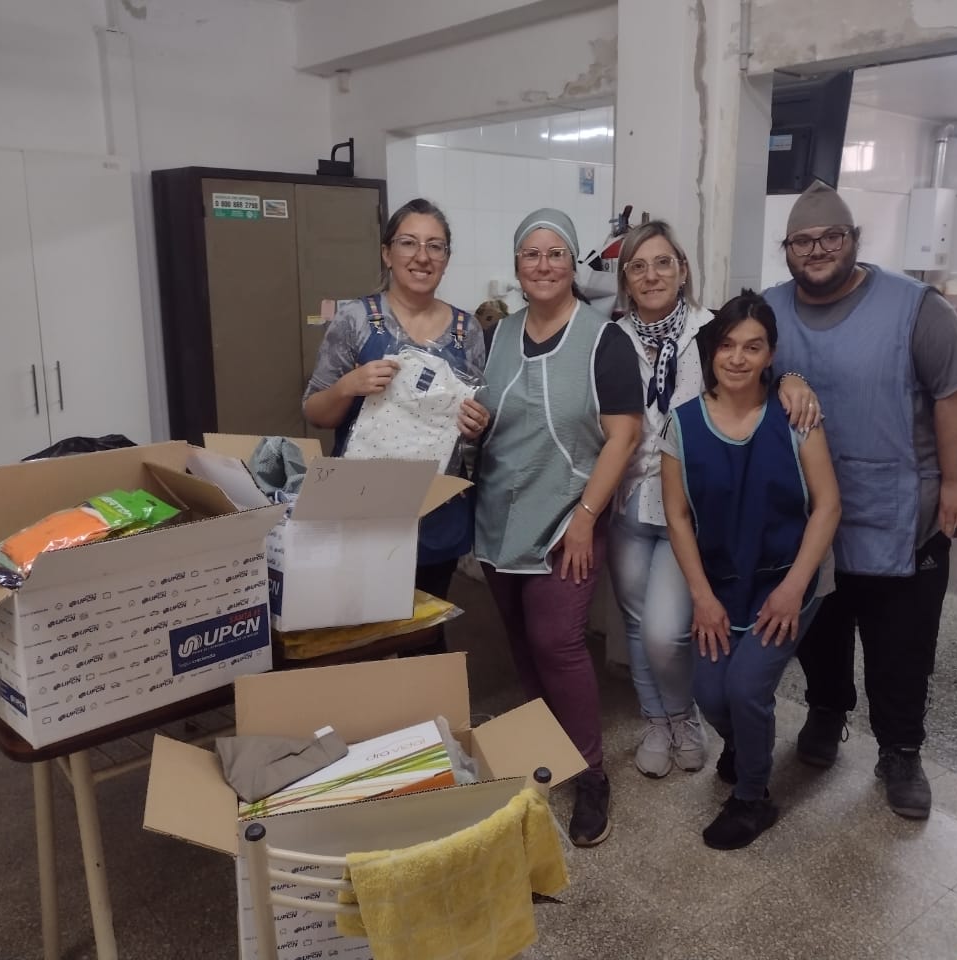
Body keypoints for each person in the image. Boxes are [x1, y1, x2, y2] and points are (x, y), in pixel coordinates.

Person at [762, 181, 957, 820]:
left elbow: (955, 394)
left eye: (831, 237)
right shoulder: (768, 311)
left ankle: (901, 751)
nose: (818, 250)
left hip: (899, 514)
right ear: (787, 250)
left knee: (901, 646)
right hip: (809, 518)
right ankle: (826, 712)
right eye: (803, 241)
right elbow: (738, 375)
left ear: (854, 239)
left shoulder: (916, 309)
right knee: (820, 632)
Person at [608, 220, 822, 780]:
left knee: (666, 630)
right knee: (637, 623)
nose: (651, 275)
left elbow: (754, 364)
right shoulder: (612, 337)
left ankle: (687, 718)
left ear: (682, 269)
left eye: (663, 262)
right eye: (637, 266)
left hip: (692, 511)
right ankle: (657, 721)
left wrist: (792, 378)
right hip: (630, 498)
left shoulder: (711, 328)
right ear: (625, 279)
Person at [474, 208, 643, 847]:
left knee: (557, 642)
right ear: (517, 266)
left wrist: (585, 519)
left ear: (574, 264)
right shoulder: (498, 335)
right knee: (521, 641)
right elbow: (487, 414)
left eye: (556, 254)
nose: (543, 266)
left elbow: (623, 436)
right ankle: (548, 752)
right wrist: (471, 421)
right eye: (531, 254)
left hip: (567, 516)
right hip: (499, 513)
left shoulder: (604, 340)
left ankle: (591, 775)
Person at [660, 290, 840, 849]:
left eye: (753, 347)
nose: (738, 358)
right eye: (728, 346)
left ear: (770, 355)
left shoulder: (796, 417)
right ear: (711, 351)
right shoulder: (682, 425)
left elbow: (828, 506)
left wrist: (792, 589)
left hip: (790, 579)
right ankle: (743, 744)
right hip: (721, 582)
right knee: (710, 693)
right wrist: (702, 597)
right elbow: (677, 515)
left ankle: (753, 797)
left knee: (745, 688)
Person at [303, 198, 490, 651]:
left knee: (425, 630)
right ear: (387, 253)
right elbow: (314, 411)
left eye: (435, 246)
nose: (422, 256)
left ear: (446, 258)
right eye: (409, 243)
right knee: (364, 634)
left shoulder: (467, 331)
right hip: (365, 507)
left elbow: (472, 434)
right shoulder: (355, 319)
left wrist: (476, 425)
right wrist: (349, 385)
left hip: (436, 508)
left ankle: (423, 696)